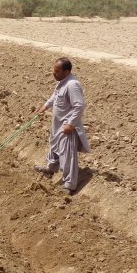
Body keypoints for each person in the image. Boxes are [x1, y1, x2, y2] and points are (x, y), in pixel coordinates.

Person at [33, 57, 91, 193]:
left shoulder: (72, 85)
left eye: (57, 71)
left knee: (67, 154)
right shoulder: (62, 82)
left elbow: (79, 105)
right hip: (58, 123)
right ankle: (50, 169)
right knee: (54, 146)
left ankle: (69, 185)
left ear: (67, 71)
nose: (54, 73)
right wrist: (45, 106)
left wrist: (70, 124)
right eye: (54, 70)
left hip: (66, 126)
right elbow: (55, 96)